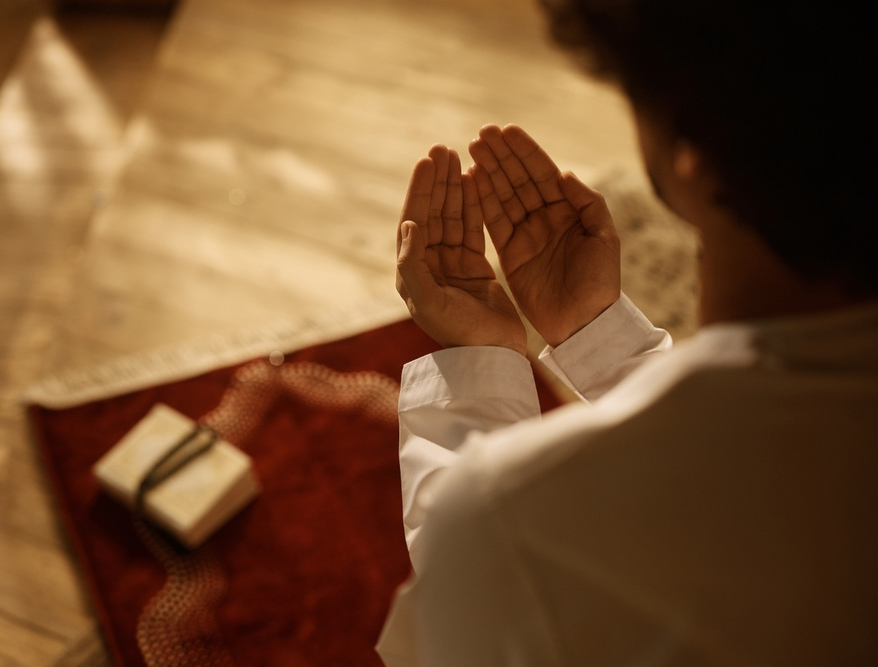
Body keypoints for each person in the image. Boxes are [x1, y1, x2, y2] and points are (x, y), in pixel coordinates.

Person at [376, 1, 877, 665]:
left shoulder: (512, 524)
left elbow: (460, 619)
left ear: (689, 149)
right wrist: (598, 337)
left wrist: (477, 374)